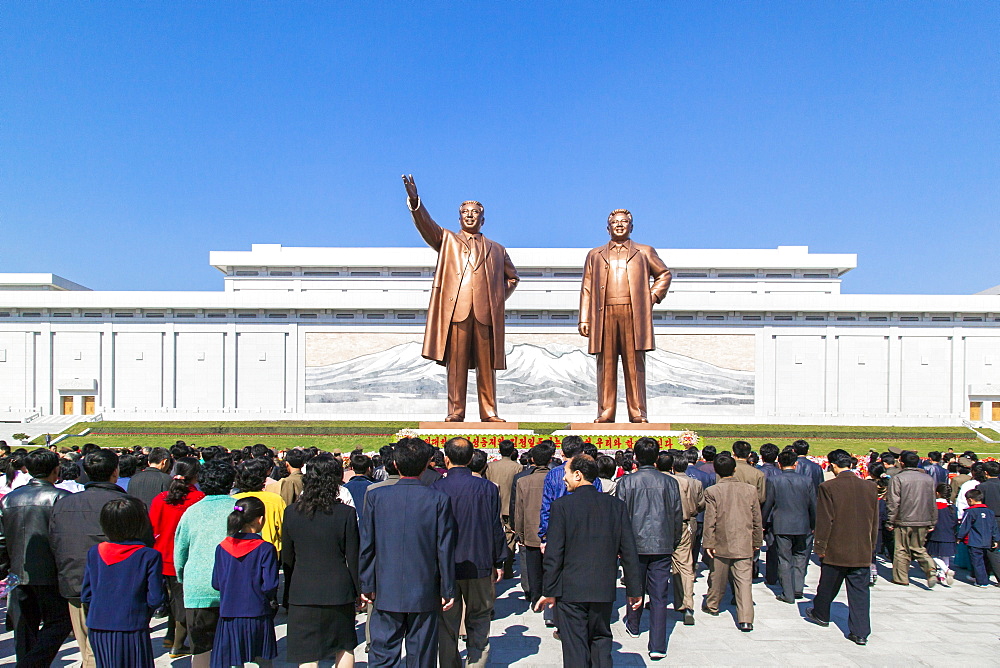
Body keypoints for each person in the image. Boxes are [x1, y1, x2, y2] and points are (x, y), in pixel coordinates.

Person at [403, 174, 520, 423]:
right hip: (457, 311)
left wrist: (496, 299)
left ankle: (489, 412)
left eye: (474, 212)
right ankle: (456, 411)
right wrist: (415, 201)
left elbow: (513, 278)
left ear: (482, 218)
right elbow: (427, 225)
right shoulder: (447, 240)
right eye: (465, 212)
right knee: (455, 367)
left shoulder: (497, 249)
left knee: (486, 367)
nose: (470, 215)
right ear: (459, 218)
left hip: (485, 314)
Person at [50, 448, 154, 668]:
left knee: (90, 651)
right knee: (96, 655)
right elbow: (144, 542)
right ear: (115, 472)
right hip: (117, 591)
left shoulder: (64, 503)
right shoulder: (129, 505)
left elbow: (55, 541)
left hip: (76, 581)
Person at [536, 455, 642, 667]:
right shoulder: (615, 506)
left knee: (575, 645)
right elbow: (629, 551)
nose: (563, 479)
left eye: (566, 473)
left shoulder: (562, 506)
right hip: (602, 587)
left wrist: (549, 591)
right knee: (601, 639)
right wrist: (634, 589)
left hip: (571, 590)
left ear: (578, 474)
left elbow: (554, 554)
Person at [359, 437, 457, 667]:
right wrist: (447, 587)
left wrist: (366, 584)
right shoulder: (438, 499)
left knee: (383, 655)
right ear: (427, 465)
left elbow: (367, 545)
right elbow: (444, 547)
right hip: (423, 589)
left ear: (395, 463)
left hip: (385, 588)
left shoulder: (376, 497)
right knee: (422, 656)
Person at [578, 209, 671, 423]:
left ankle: (638, 412)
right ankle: (605, 411)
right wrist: (584, 318)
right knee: (606, 365)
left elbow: (664, 274)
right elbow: (587, 288)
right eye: (615, 222)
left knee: (634, 364)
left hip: (633, 313)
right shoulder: (595, 254)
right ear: (607, 227)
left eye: (624, 222)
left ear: (632, 226)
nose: (620, 225)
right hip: (604, 313)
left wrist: (652, 297)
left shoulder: (644, 251)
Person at [432, 437, 507, 668]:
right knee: (480, 618)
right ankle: (476, 662)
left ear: (446, 458)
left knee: (447, 624)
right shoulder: (487, 488)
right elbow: (496, 527)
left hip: (446, 568)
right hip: (480, 563)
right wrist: (499, 561)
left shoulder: (436, 488)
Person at [283, 455, 360, 668]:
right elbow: (353, 557)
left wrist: (288, 591)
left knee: (307, 653)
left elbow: (287, 558)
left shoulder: (292, 513)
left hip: (303, 589)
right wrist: (358, 590)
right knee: (344, 646)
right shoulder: (346, 513)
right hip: (338, 589)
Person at [0, 448, 73, 666]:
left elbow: (2, 539)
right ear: (56, 470)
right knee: (59, 621)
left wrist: (4, 569)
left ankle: (28, 661)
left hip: (18, 571)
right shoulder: (61, 498)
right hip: (51, 572)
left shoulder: (10, 499)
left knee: (25, 626)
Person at [614, 439, 683, 660]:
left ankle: (634, 625)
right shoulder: (670, 482)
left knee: (634, 586)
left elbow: (620, 517)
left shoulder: (626, 482)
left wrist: (619, 545)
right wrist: (674, 540)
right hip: (661, 543)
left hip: (634, 543)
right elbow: (676, 515)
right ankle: (657, 644)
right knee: (660, 595)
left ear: (636, 457)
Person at [80, 497, 166, 668]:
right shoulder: (148, 555)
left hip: (98, 627)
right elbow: (155, 598)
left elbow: (86, 595)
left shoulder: (95, 552)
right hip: (132, 626)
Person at [806, 451, 880, 646]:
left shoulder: (828, 487)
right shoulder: (869, 487)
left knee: (828, 584)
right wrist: (872, 546)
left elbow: (825, 519)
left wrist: (820, 546)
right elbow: (874, 521)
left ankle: (821, 614)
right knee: (860, 592)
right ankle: (860, 632)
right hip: (861, 548)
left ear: (832, 465)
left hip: (836, 546)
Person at [174, 459, 239, 668]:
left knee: (201, 649)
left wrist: (183, 578)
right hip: (234, 586)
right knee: (234, 648)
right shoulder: (239, 509)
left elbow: (180, 553)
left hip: (199, 586)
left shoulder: (192, 512)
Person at [211, 496, 280, 668]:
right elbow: (270, 585)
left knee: (233, 660)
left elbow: (216, 583)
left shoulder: (222, 548)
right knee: (262, 660)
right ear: (260, 519)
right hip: (257, 613)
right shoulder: (265, 548)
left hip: (229, 614)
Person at [149, 457, 205, 658]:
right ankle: (178, 642)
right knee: (181, 601)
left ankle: (171, 636)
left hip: (161, 556)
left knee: (174, 598)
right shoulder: (198, 498)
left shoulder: (161, 498)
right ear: (196, 476)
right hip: (184, 558)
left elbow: (153, 528)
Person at [701, 453, 762, 632]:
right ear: (734, 469)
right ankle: (745, 619)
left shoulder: (713, 491)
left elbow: (710, 519)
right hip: (744, 540)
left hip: (721, 539)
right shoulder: (749, 490)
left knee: (717, 576)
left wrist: (708, 543)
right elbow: (756, 518)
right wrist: (757, 540)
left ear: (716, 471)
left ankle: (713, 605)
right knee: (744, 581)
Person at [761, 450, 816, 603]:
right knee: (800, 556)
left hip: (782, 524)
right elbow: (813, 505)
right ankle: (798, 588)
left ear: (779, 464)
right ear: (796, 463)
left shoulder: (774, 480)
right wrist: (814, 524)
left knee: (784, 558)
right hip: (803, 523)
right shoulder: (807, 480)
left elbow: (768, 504)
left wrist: (762, 523)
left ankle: (788, 593)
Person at [513, 442, 554, 623]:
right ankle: (549, 599)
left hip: (530, 530)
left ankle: (536, 599)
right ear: (550, 459)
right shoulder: (556, 479)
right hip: (552, 531)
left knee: (533, 568)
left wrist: (519, 533)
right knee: (550, 568)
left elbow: (519, 511)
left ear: (531, 460)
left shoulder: (524, 481)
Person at [885, 451, 937, 586]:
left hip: (903, 518)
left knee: (901, 549)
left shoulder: (898, 478)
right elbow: (932, 501)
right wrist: (933, 521)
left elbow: (893, 502)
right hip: (923, 518)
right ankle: (930, 568)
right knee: (918, 547)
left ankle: (901, 578)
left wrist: (890, 520)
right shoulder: (928, 479)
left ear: (901, 462)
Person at [538, 436, 601, 546]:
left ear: (563, 452)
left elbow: (546, 506)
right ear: (582, 452)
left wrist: (545, 535)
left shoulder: (553, 474)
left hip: (559, 530)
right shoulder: (591, 474)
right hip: (587, 531)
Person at [664, 451, 703, 625]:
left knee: (659, 565)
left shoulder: (665, 481)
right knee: (685, 565)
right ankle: (686, 604)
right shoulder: (686, 482)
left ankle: (659, 599)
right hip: (683, 524)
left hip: (663, 526)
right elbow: (694, 507)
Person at [484, 439, 522, 579]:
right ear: (512, 451)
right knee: (510, 537)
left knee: (494, 536)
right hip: (510, 506)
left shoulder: (490, 466)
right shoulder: (517, 467)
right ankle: (508, 567)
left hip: (494, 505)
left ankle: (495, 565)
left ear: (499, 450)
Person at [233, 458, 288, 554]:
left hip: (238, 552)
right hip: (270, 552)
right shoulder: (275, 500)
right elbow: (284, 531)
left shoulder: (233, 500)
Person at [958, 488, 1000, 587]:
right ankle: (983, 577)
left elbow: (964, 526)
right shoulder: (990, 512)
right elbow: (994, 527)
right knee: (986, 561)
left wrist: (959, 537)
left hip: (974, 541)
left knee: (977, 562)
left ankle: (982, 581)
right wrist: (996, 539)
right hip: (988, 540)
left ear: (970, 500)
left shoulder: (970, 512)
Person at [926, 483, 958, 586]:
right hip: (949, 534)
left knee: (932, 554)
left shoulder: (934, 506)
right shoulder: (952, 507)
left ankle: (945, 570)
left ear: (937, 493)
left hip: (936, 533)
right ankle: (942, 575)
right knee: (945, 556)